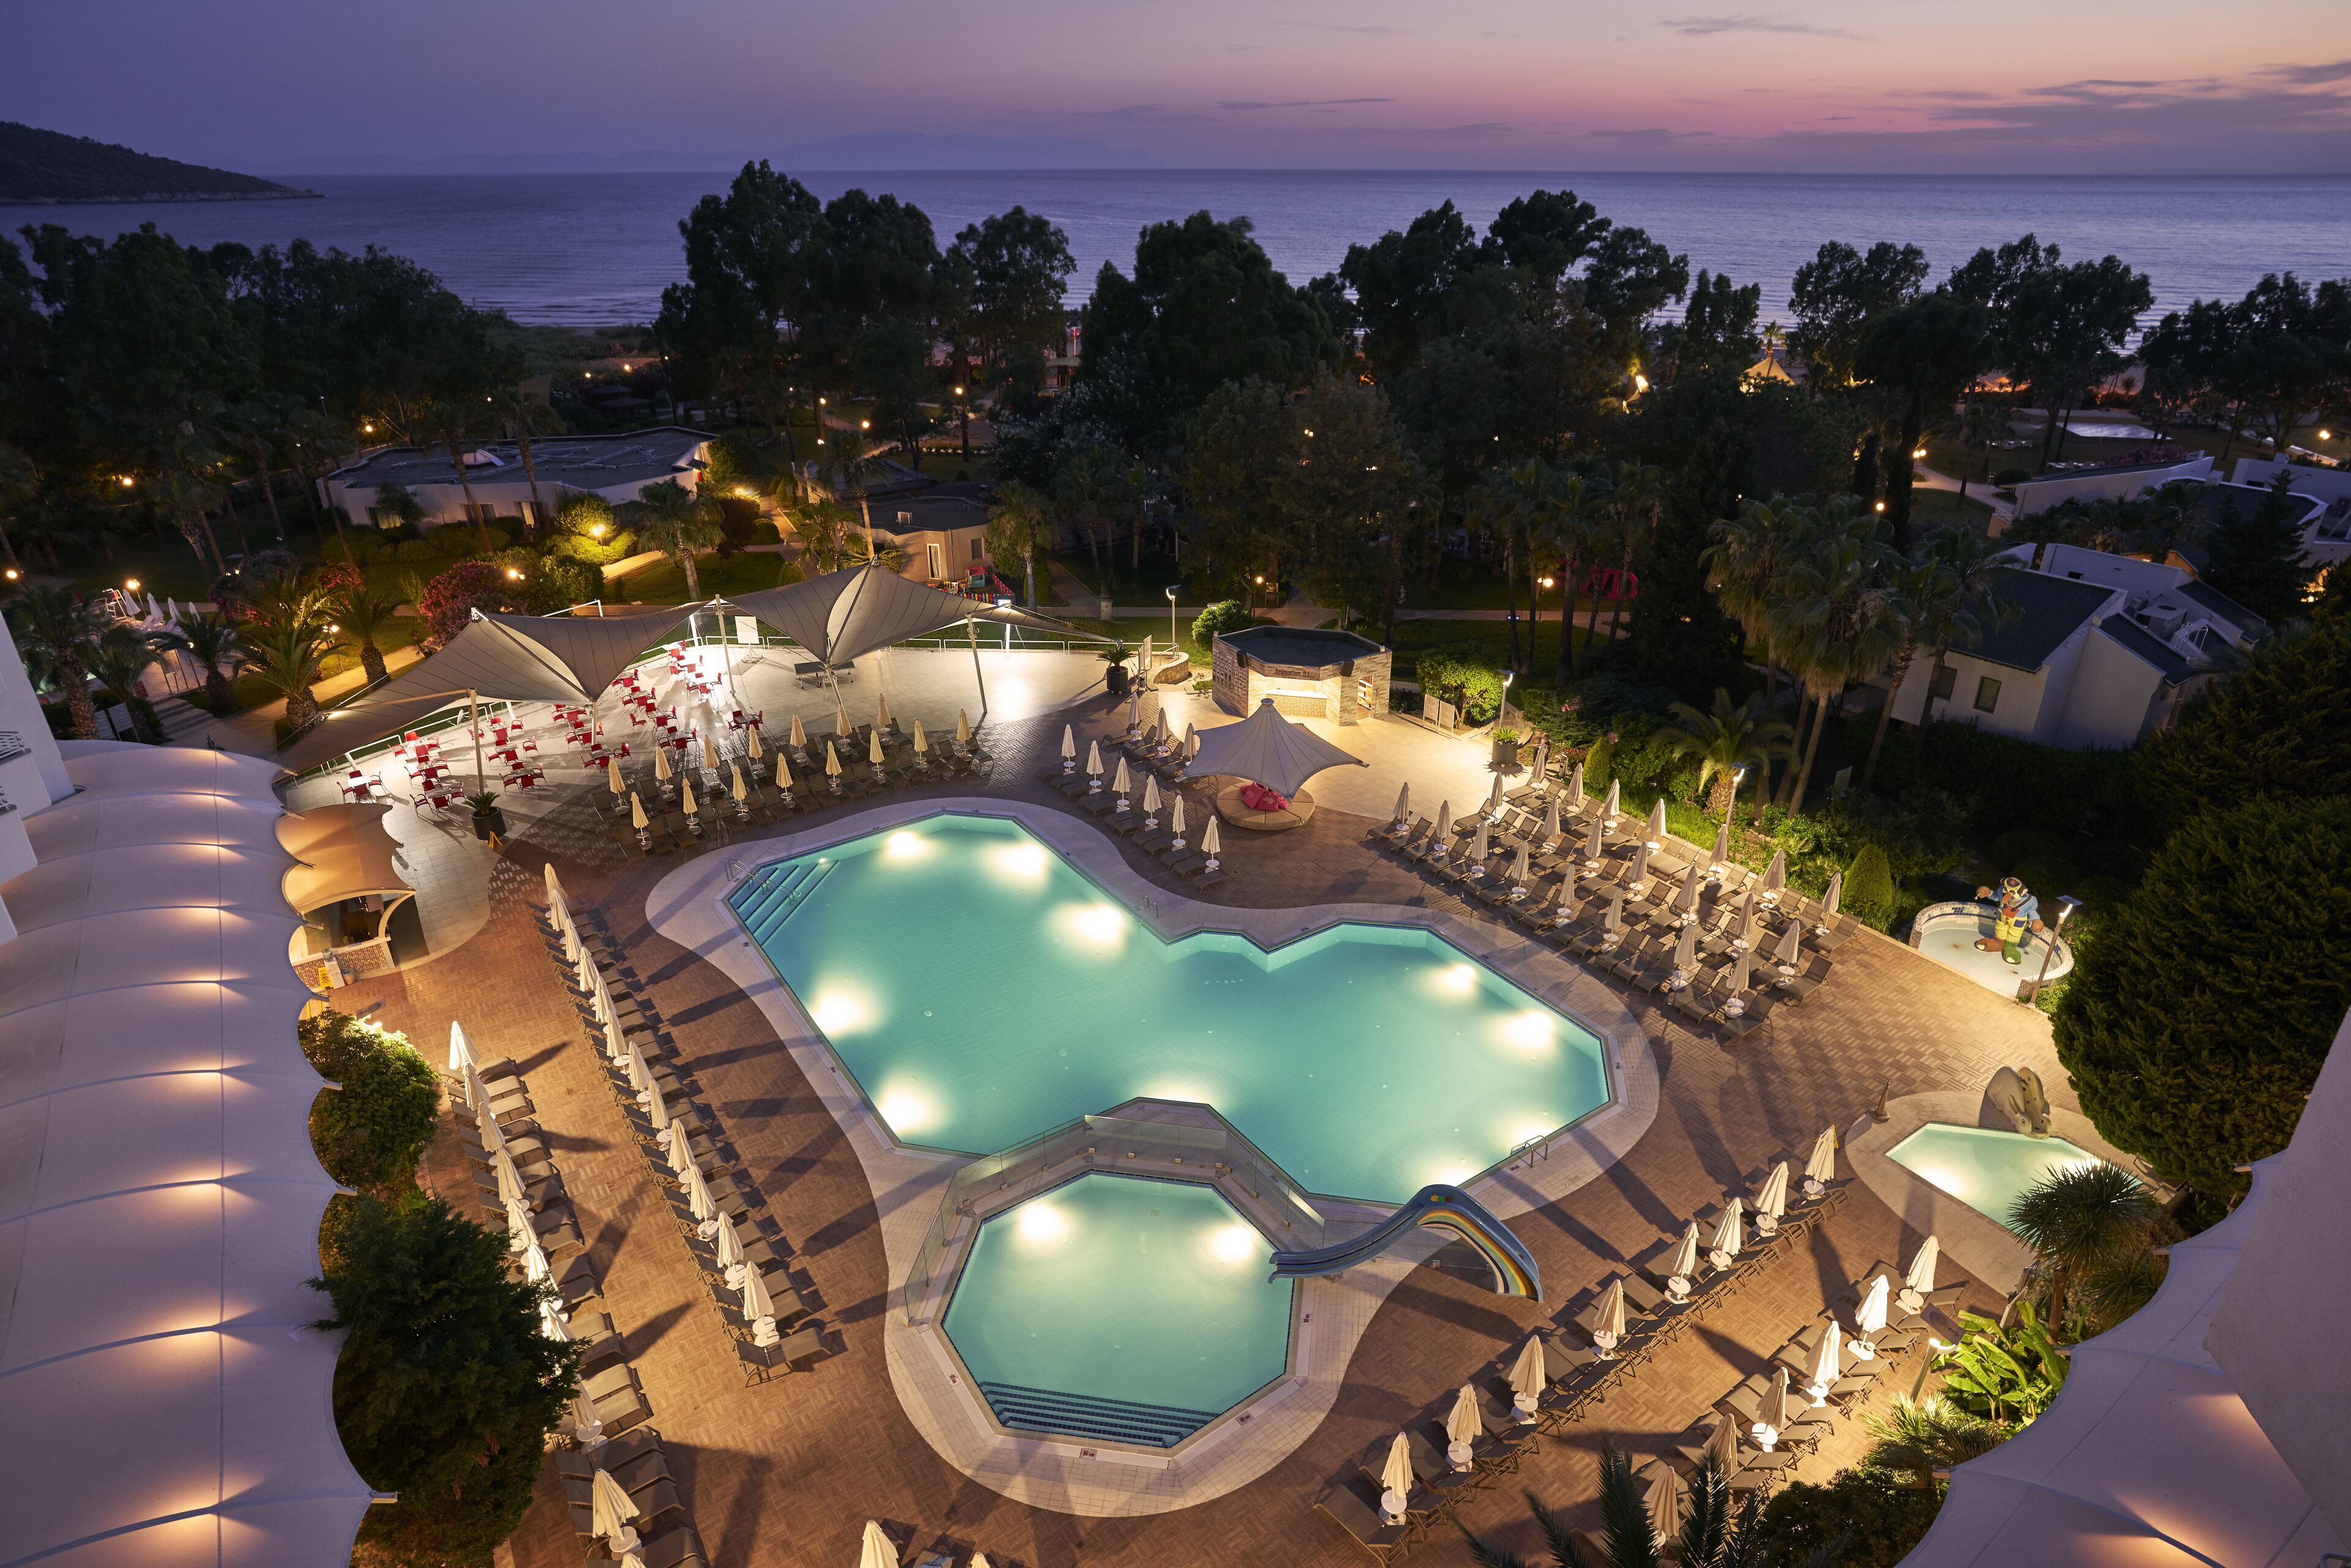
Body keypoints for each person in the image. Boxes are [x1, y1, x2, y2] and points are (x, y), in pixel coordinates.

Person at [1974, 876, 2042, 966]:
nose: (2009, 893)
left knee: (2014, 935)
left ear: (2022, 891)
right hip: (2002, 919)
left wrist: (2036, 920)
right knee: (2000, 931)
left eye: (2012, 892)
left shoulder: (2030, 901)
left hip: (2017, 923)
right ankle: (1997, 944)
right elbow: (1997, 897)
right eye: (2007, 890)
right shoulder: (2002, 891)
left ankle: (2010, 948)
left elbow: (2032, 911)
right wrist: (1988, 893)